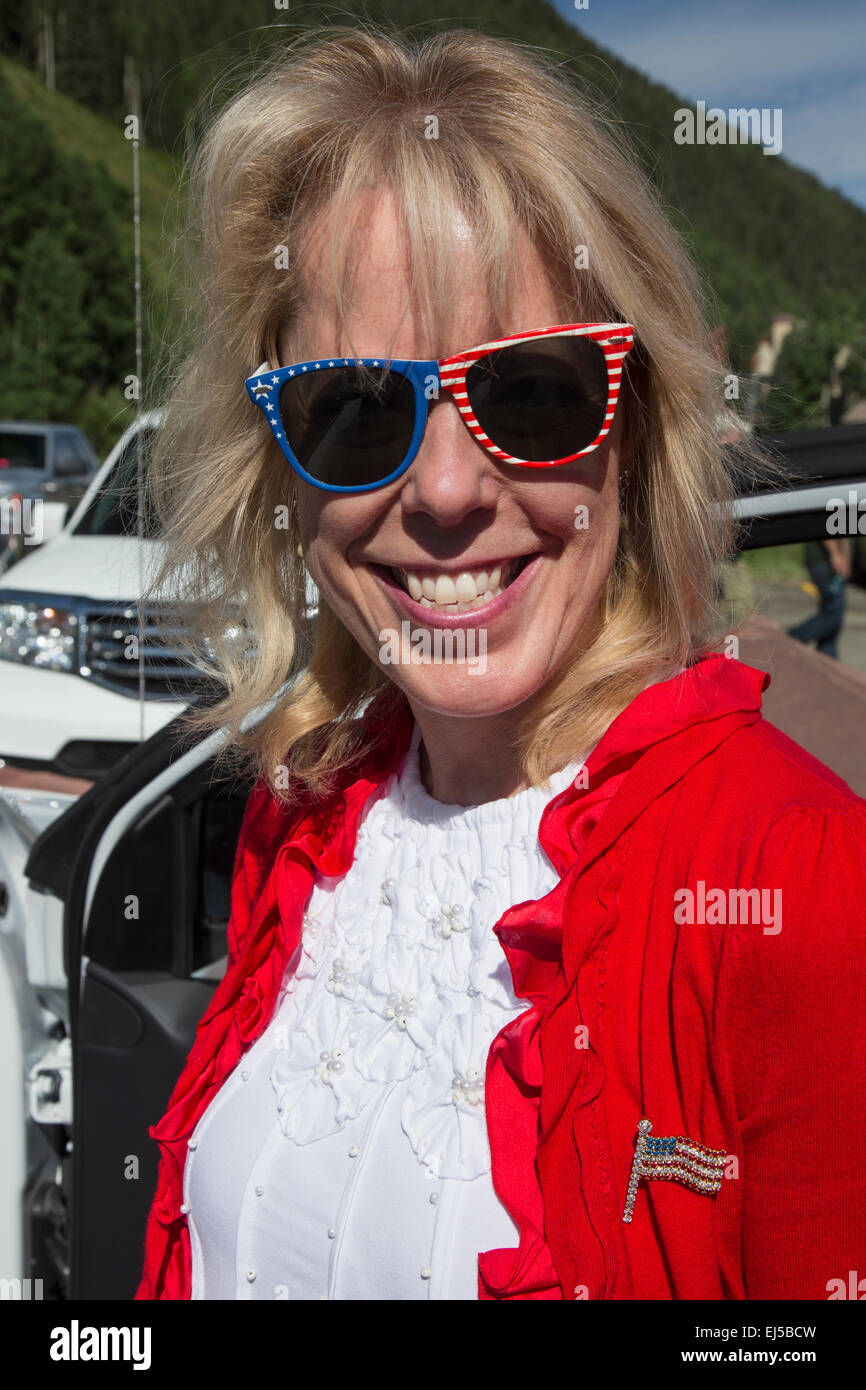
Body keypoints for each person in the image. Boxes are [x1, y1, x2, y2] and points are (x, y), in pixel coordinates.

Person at [135, 27, 866, 1301]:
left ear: (632, 427)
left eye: (530, 394)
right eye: (355, 409)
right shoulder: (308, 812)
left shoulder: (801, 885)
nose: (446, 491)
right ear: (278, 464)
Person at [788, 536, 851, 659]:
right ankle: (792, 638)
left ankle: (827, 659)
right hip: (824, 561)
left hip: (833, 561)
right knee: (833, 615)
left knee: (833, 614)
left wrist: (846, 555)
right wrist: (835, 554)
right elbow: (825, 524)